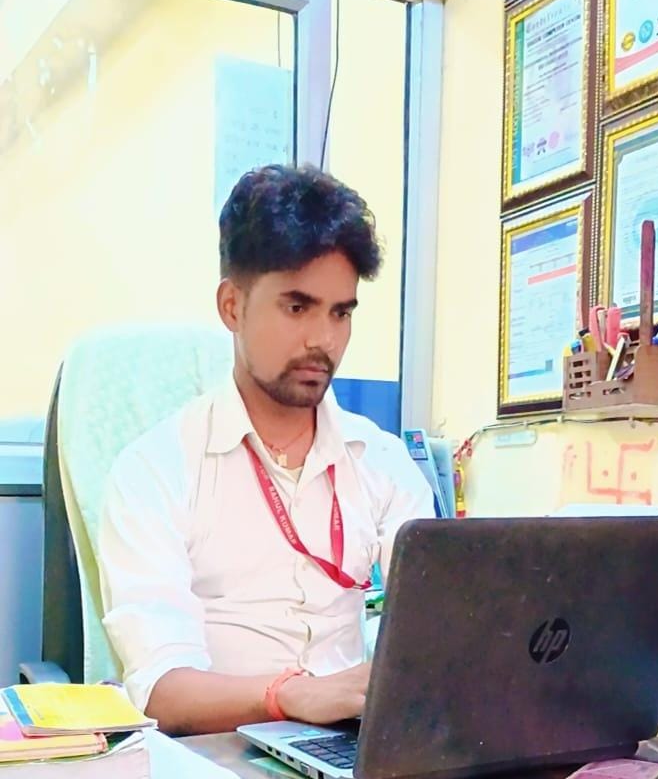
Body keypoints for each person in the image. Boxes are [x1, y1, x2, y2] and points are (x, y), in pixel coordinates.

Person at [99, 165, 434, 735]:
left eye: (341, 312)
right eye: (297, 307)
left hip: (356, 747)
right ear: (232, 306)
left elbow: (440, 629)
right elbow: (160, 691)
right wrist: (290, 695)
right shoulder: (154, 470)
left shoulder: (380, 462)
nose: (323, 340)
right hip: (216, 755)